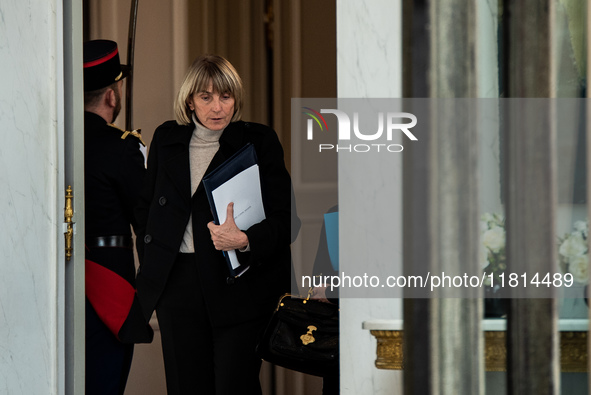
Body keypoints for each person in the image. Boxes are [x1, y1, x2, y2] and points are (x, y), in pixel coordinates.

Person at [134, 54, 298, 394]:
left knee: (234, 388)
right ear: (190, 100)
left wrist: (245, 240)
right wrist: (155, 261)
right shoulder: (167, 140)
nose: (217, 106)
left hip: (238, 287)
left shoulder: (259, 141)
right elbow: (146, 211)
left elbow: (287, 222)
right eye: (206, 96)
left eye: (225, 95)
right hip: (177, 286)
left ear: (236, 98)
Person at [83, 39, 153, 395]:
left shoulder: (54, 142)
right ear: (112, 96)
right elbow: (147, 223)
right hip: (109, 286)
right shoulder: (123, 146)